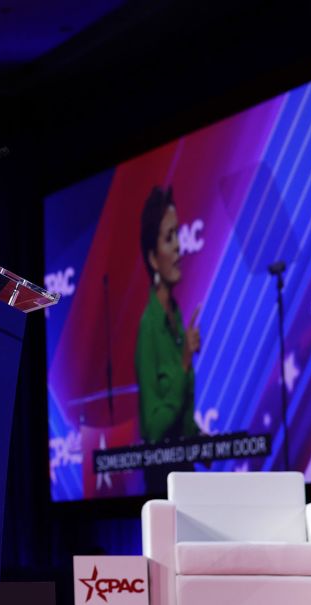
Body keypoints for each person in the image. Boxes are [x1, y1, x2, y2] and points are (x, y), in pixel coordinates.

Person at [135, 186, 201, 492]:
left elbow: (183, 424)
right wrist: (185, 363)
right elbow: (153, 427)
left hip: (185, 473)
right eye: (168, 238)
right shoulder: (149, 327)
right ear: (152, 257)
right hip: (162, 481)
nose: (178, 247)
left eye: (178, 234)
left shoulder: (176, 316)